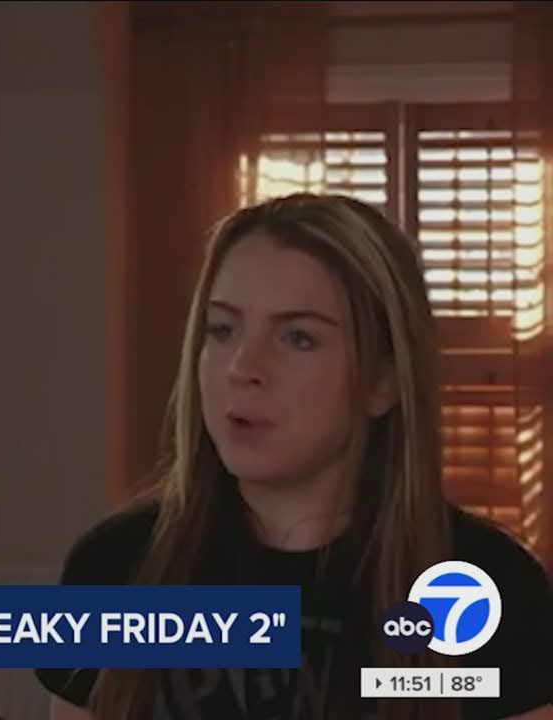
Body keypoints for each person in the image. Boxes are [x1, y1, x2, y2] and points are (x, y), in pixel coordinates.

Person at [36, 194, 553, 720]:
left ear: (383, 379)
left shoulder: (488, 586)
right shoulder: (115, 567)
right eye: (223, 329)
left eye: (298, 338)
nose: (244, 367)